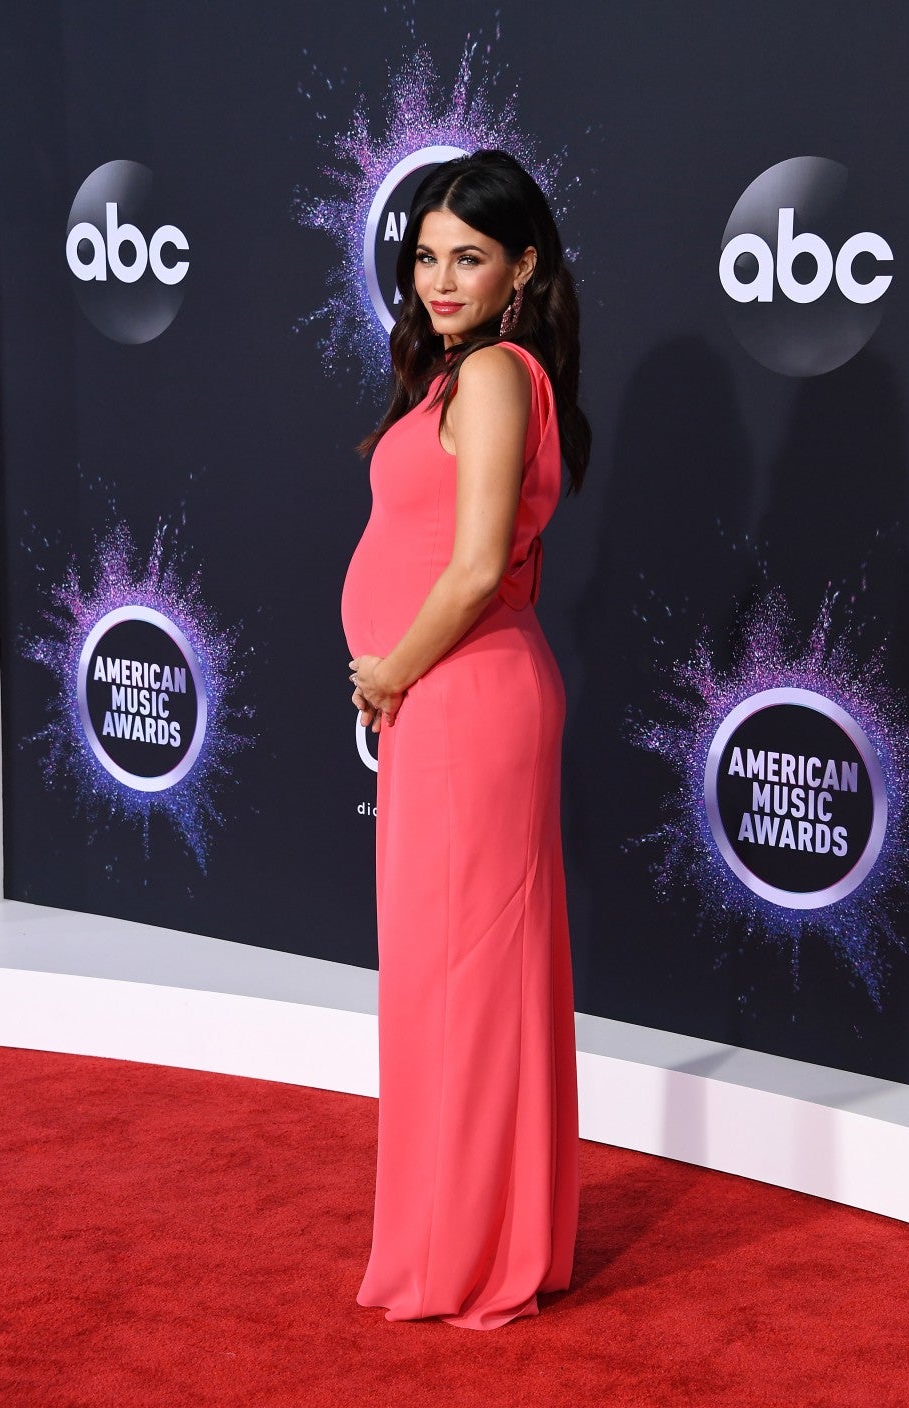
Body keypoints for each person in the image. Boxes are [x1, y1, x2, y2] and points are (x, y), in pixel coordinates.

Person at [341, 149, 591, 1329]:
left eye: (469, 258)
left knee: (467, 985)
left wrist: (391, 669)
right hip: (445, 700)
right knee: (455, 981)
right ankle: (485, 1236)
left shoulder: (492, 373)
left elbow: (479, 565)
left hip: (461, 698)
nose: (439, 281)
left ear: (521, 267)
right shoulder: (462, 370)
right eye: (427, 257)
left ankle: (471, 1256)